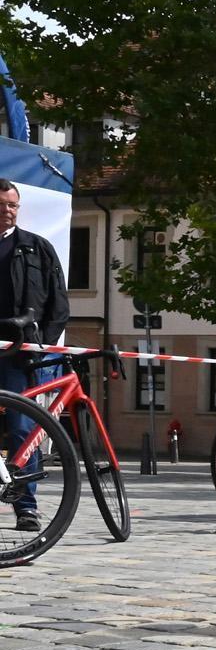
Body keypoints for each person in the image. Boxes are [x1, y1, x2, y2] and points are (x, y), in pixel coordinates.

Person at [0, 177, 68, 532]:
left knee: (22, 430)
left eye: (12, 206)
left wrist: (43, 344)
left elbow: (58, 302)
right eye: (1, 206)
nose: (7, 212)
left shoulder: (35, 248)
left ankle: (26, 507)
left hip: (21, 355)